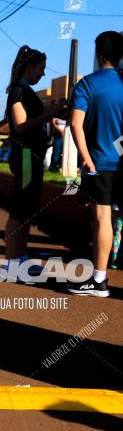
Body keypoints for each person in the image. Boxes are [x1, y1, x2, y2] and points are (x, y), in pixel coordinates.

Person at [4, 46, 66, 282]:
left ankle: (20, 257)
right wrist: (49, 113)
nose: (42, 74)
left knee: (27, 208)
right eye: (40, 69)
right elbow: (20, 125)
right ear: (29, 67)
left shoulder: (26, 91)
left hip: (33, 155)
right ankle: (11, 261)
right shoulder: (19, 92)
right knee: (20, 209)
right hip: (26, 155)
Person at [69, 30, 123, 297]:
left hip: (99, 164)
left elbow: (75, 124)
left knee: (103, 219)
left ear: (99, 55)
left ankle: (99, 281)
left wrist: (86, 157)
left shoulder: (87, 84)